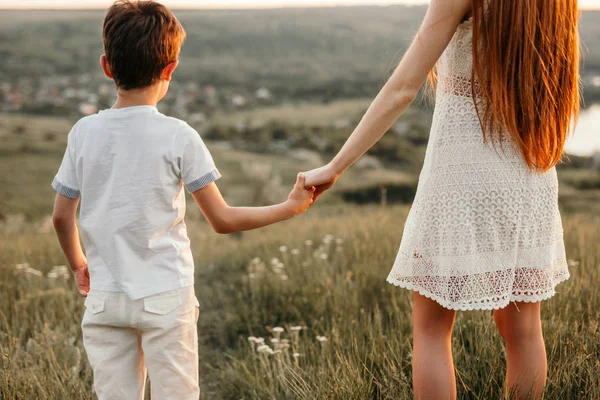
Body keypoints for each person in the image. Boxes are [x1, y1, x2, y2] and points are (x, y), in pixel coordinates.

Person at [303, 0, 580, 399]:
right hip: (530, 175)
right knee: (523, 330)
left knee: (431, 328)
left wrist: (335, 166)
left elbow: (401, 89)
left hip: (461, 177)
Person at [50, 1, 315, 399]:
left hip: (105, 299)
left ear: (107, 66)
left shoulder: (82, 133)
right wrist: (289, 207)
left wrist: (78, 265)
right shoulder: (178, 135)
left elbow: (61, 217)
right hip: (164, 296)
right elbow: (222, 219)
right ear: (171, 68)